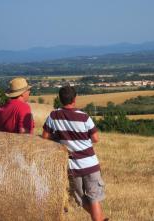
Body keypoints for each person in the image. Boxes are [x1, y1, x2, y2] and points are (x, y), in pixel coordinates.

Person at [42, 85, 107, 221]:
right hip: (90, 163)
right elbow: (96, 139)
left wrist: (58, 137)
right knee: (94, 198)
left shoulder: (54, 116)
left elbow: (45, 137)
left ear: (60, 99)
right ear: (75, 99)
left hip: (73, 167)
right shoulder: (84, 117)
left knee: (80, 199)